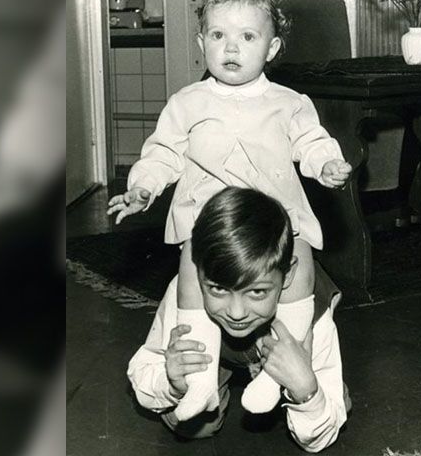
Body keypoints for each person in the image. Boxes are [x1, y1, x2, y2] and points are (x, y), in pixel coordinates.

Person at [108, 0, 352, 421]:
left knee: (300, 263)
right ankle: (199, 381)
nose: (232, 48)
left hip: (275, 225)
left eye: (247, 37)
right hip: (210, 226)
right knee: (191, 264)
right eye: (219, 35)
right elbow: (163, 152)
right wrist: (144, 186)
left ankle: (280, 372)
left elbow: (311, 141)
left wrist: (326, 164)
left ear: (272, 48)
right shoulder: (187, 103)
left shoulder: (289, 102)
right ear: (202, 43)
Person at [127, 187, 350, 452]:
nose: (236, 313)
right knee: (192, 424)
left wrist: (306, 390)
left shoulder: (307, 314)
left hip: (286, 353)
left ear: (288, 276)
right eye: (218, 289)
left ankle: (295, 382)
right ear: (197, 276)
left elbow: (318, 442)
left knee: (324, 408)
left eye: (257, 292)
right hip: (220, 353)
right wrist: (172, 383)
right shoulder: (187, 295)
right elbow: (143, 371)